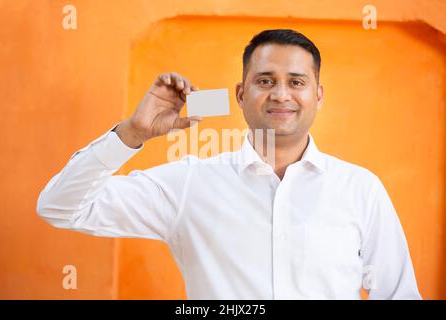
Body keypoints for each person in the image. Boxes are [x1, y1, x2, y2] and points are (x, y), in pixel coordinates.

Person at [37, 29, 421, 299]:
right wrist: (132, 133)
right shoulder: (189, 183)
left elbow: (398, 294)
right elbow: (61, 208)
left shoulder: (360, 188)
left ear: (318, 96)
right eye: (266, 81)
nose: (281, 94)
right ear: (241, 93)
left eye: (297, 82)